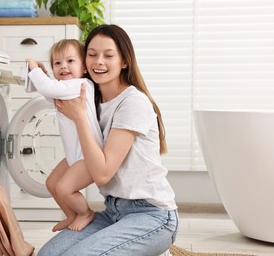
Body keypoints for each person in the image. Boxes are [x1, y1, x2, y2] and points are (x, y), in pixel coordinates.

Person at [38, 24, 179, 256]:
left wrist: (79, 118)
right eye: (91, 55)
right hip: (113, 211)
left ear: (124, 61)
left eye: (108, 55)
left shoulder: (132, 102)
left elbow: (102, 173)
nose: (98, 62)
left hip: (152, 215)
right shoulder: (93, 100)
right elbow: (82, 154)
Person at [26, 39, 103, 232]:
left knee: (64, 188)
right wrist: (42, 75)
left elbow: (48, 89)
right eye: (57, 63)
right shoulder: (64, 88)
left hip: (88, 155)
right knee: (52, 184)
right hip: (74, 154)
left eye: (70, 61)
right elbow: (47, 92)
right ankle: (71, 214)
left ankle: (86, 213)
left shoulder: (81, 84)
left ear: (84, 67)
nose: (64, 67)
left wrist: (35, 69)